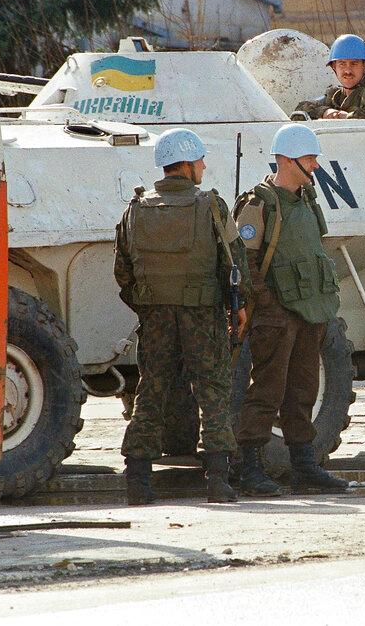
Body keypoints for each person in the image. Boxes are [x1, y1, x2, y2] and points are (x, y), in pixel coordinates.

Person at [114, 128, 250, 505]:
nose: (204, 166)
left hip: (155, 315)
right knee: (213, 390)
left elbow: (123, 272)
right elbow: (233, 263)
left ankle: (138, 481)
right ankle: (218, 481)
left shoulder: (136, 207)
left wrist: (149, 305)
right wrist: (237, 306)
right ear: (188, 164)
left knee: (151, 390)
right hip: (202, 314)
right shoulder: (211, 205)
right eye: (201, 160)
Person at [232, 124, 349, 495]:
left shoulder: (308, 200)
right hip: (276, 315)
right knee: (267, 389)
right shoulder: (260, 202)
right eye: (309, 158)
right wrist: (266, 305)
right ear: (286, 159)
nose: (315, 165)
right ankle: (248, 467)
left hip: (310, 311)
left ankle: (304, 465)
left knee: (303, 390)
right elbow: (243, 260)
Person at [295, 34, 365, 120]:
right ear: (334, 67)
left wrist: (347, 117)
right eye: (342, 64)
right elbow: (300, 110)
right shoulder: (334, 96)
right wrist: (324, 112)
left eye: (354, 64)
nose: (347, 70)